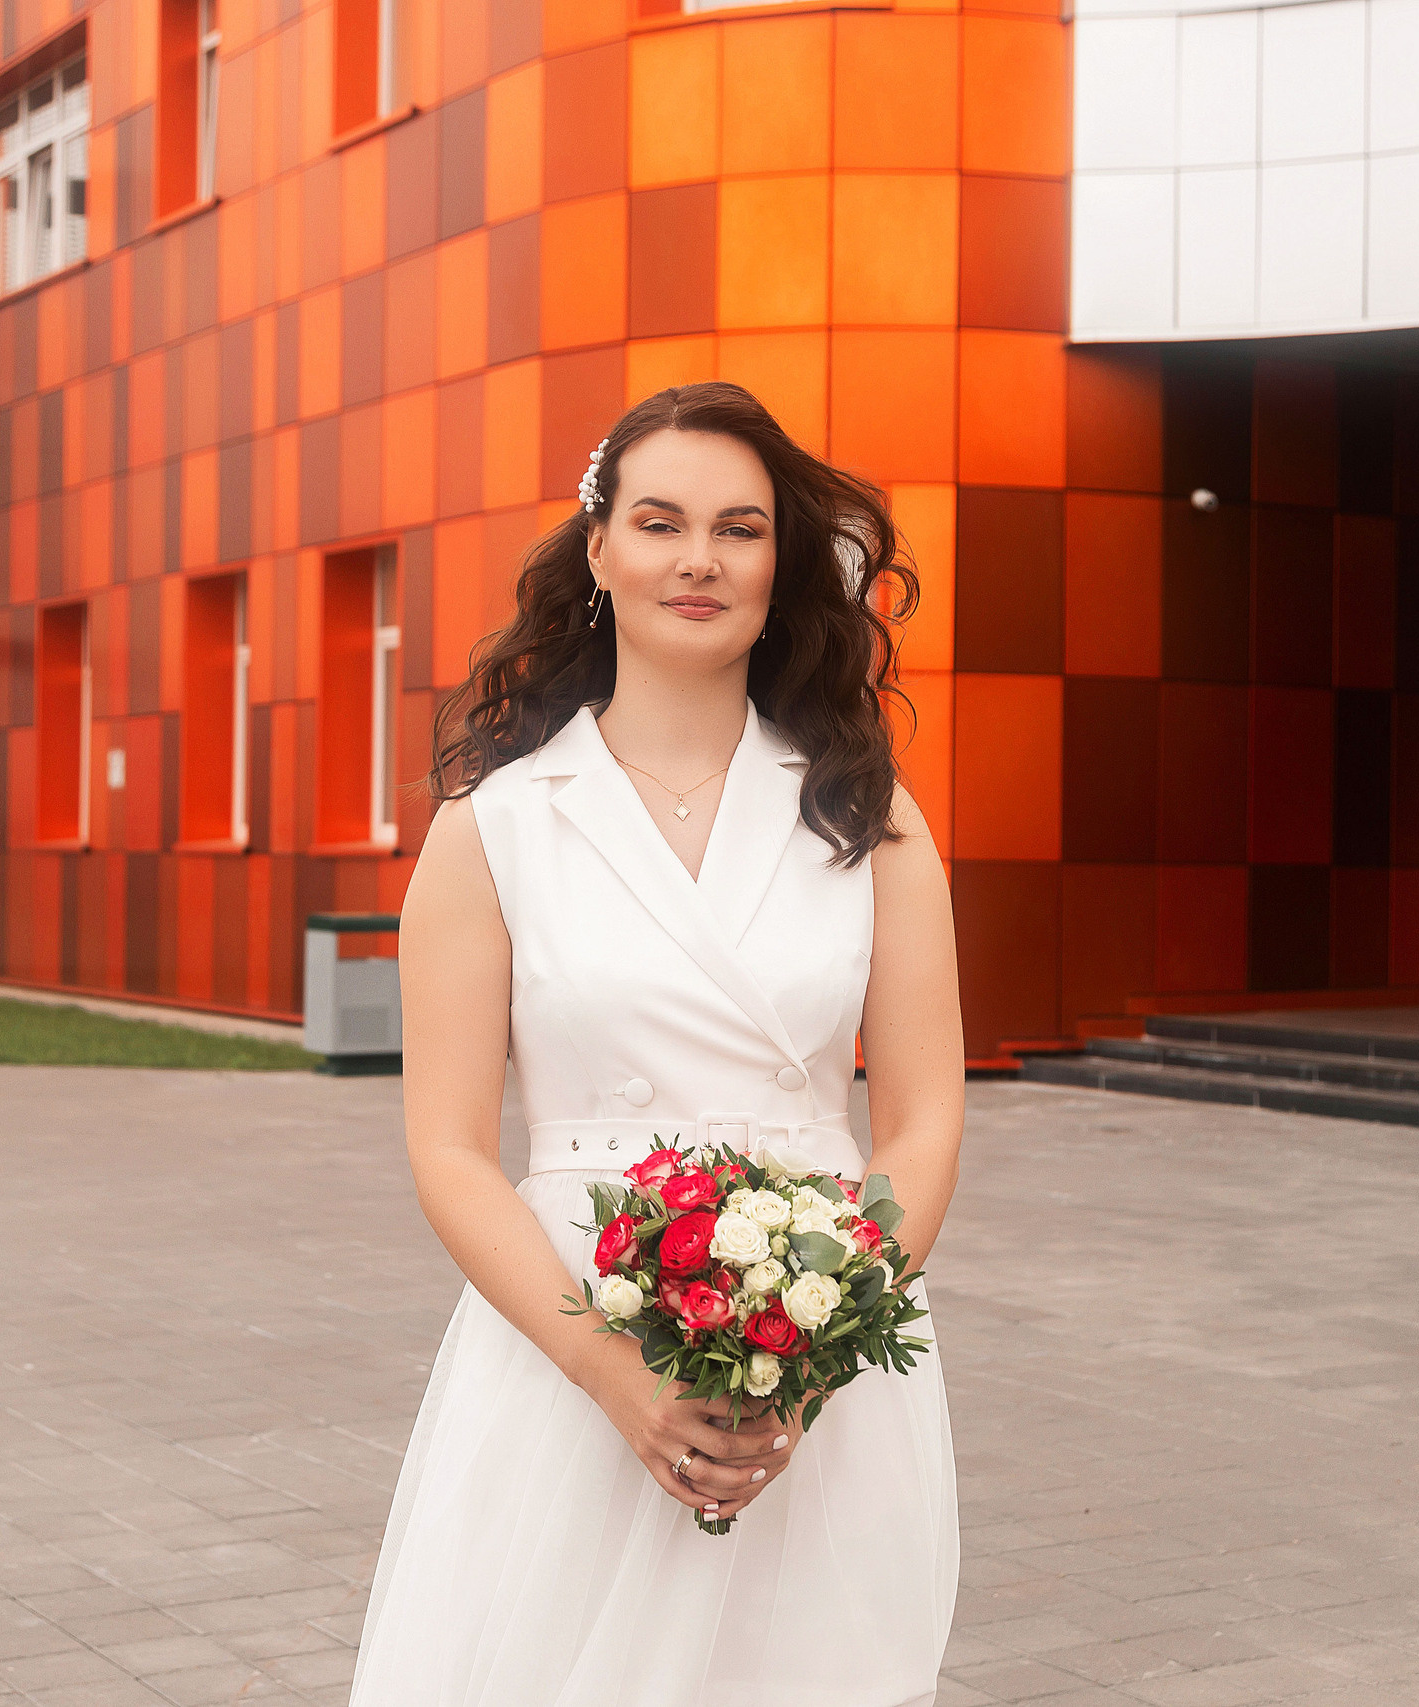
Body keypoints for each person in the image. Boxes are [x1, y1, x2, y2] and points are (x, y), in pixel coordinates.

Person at [351, 383, 964, 1704]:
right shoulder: (497, 823)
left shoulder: (874, 817)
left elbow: (921, 1123)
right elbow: (450, 1148)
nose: (700, 558)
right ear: (601, 549)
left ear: (779, 562)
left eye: (740, 528)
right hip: (569, 1345)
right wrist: (614, 1374)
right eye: (662, 521)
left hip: (815, 1360)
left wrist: (821, 1348)